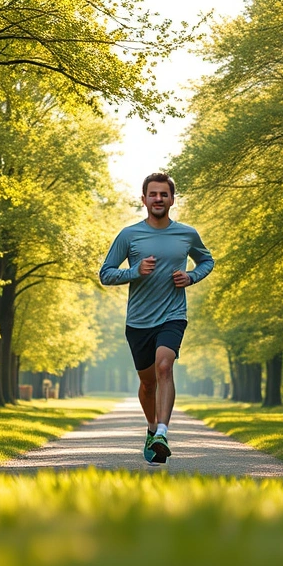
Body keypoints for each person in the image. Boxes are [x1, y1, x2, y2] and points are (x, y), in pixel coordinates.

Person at [99, 172, 214, 464]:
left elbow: (207, 260)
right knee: (148, 384)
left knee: (165, 366)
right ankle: (151, 428)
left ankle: (163, 431)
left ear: (172, 199)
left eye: (164, 194)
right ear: (144, 199)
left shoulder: (187, 234)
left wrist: (191, 276)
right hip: (138, 321)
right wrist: (134, 271)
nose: (159, 199)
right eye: (153, 194)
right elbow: (106, 273)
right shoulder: (129, 235)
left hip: (173, 315)